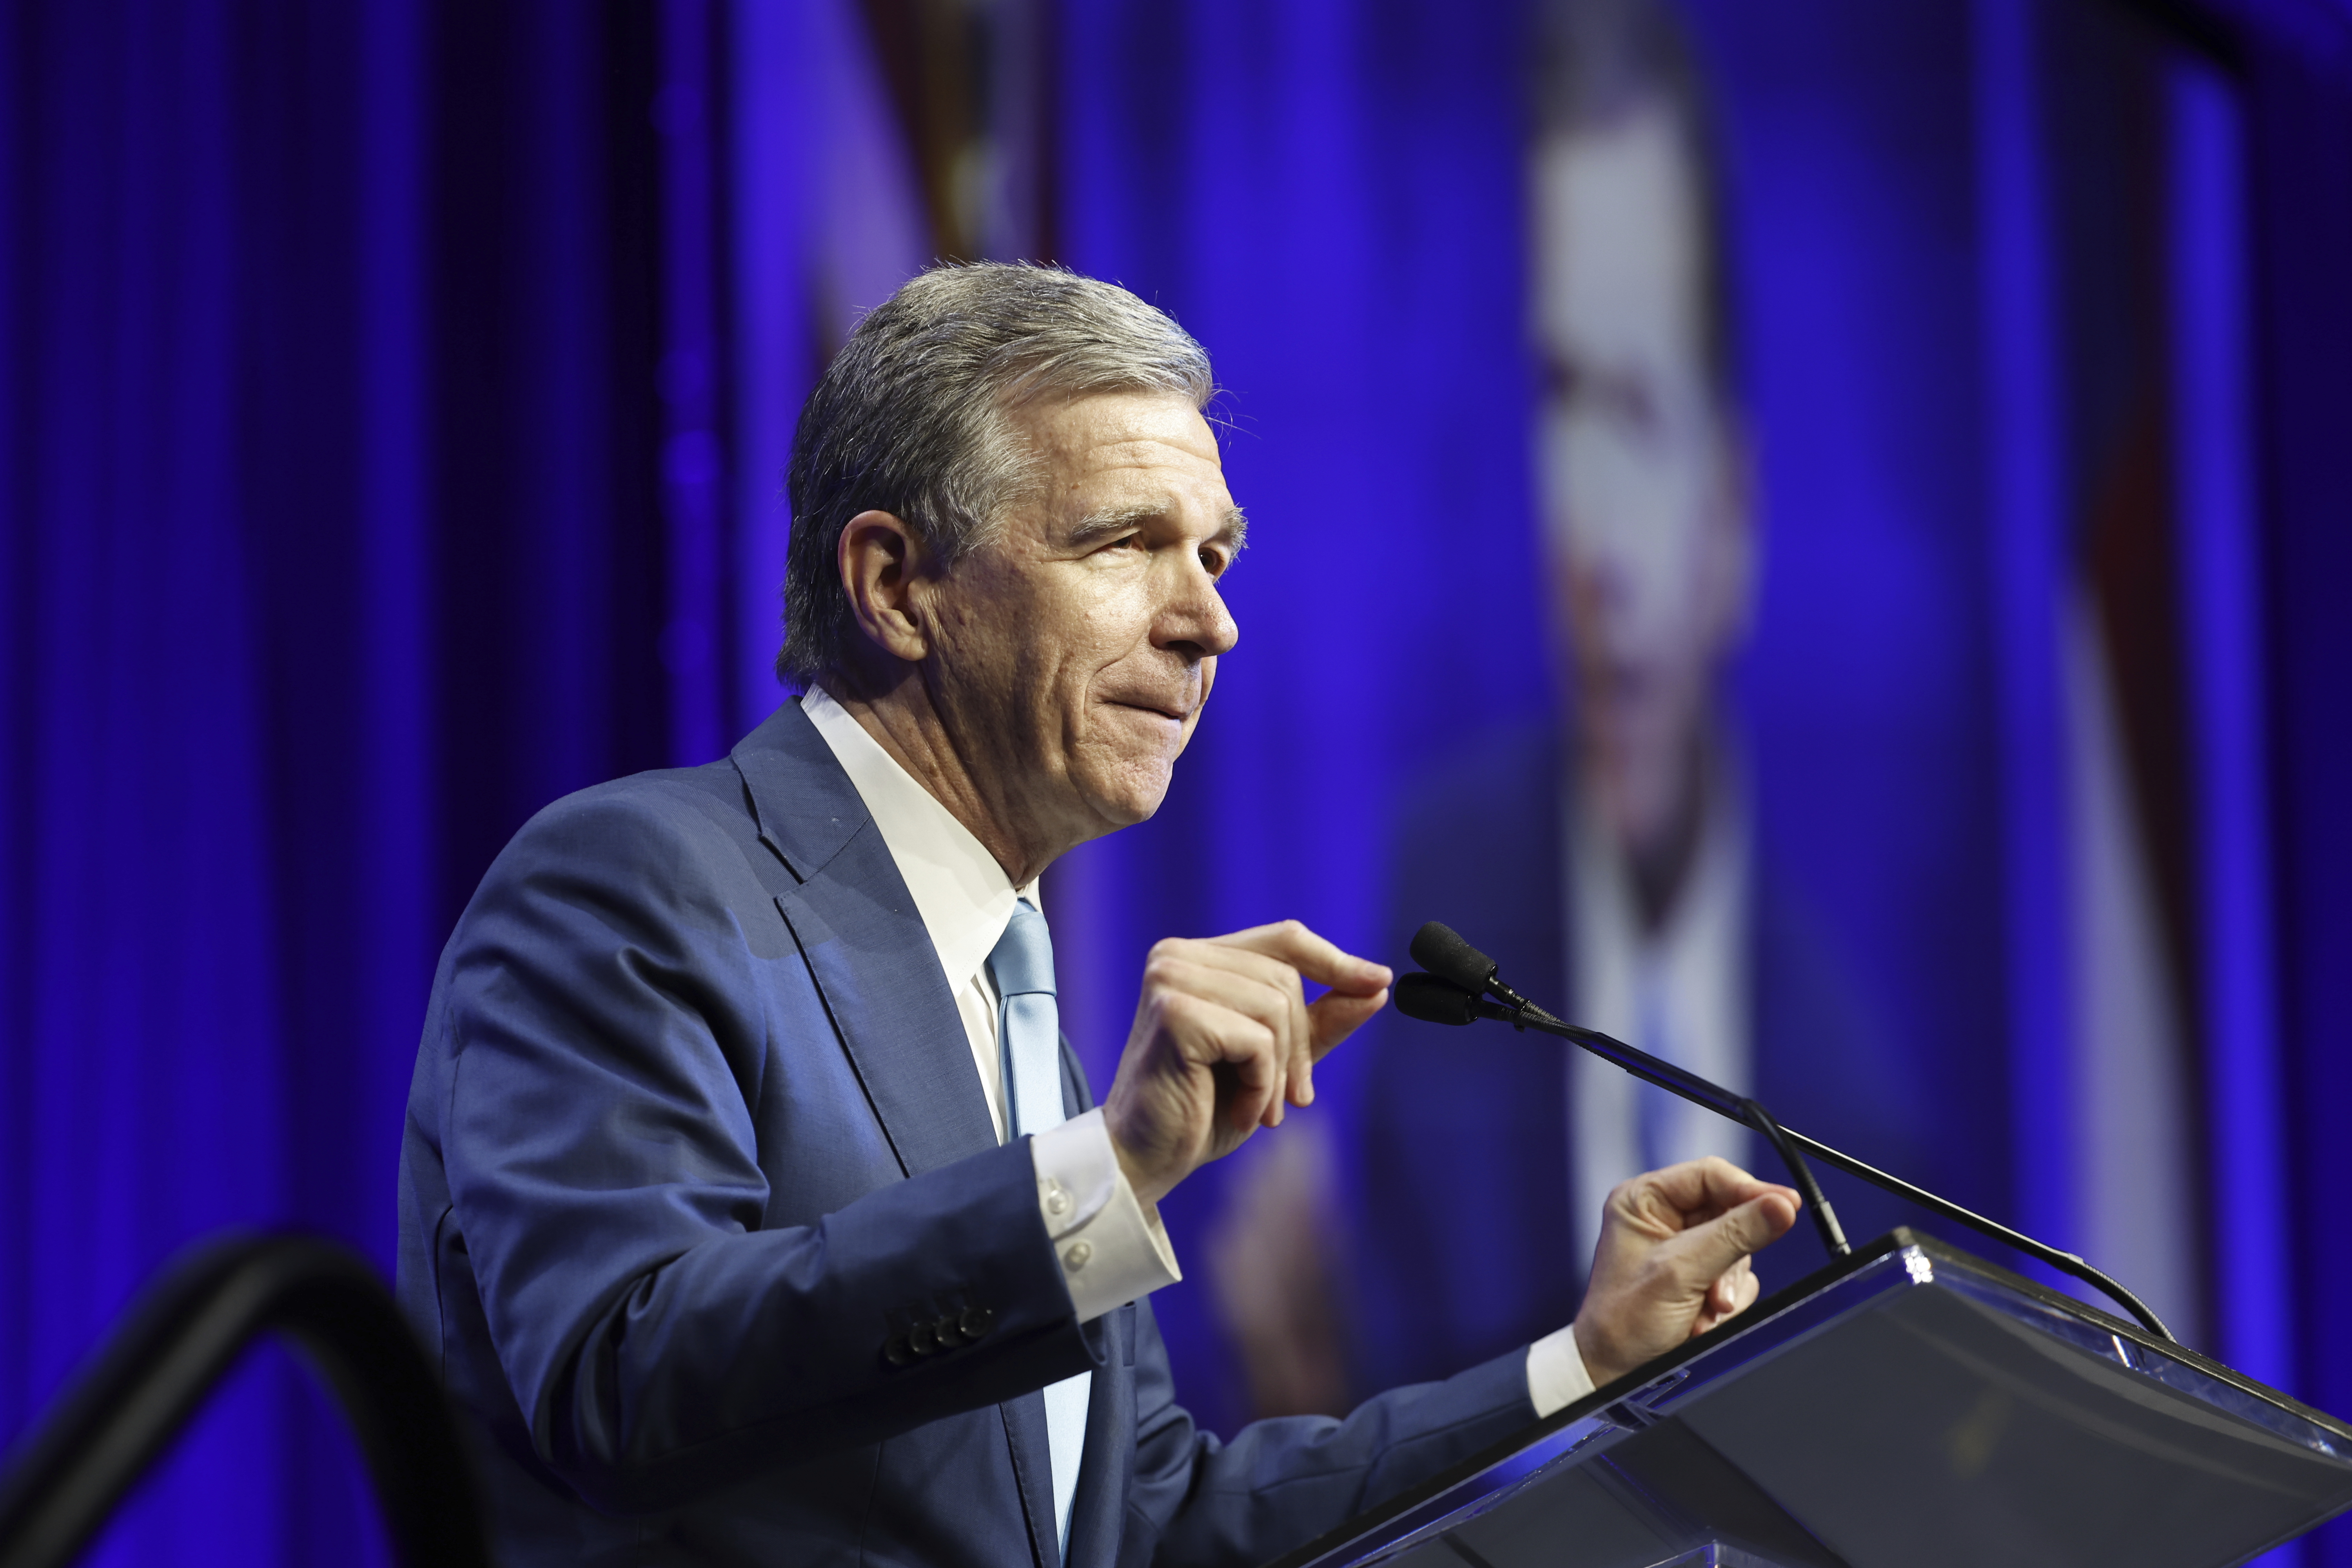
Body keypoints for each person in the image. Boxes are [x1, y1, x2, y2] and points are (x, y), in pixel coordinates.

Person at [395, 262, 1801, 1568]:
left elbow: (1138, 1527)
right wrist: (1106, 1179)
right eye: (1129, 543)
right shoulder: (635, 884)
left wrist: (1584, 1370)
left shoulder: (1007, 992)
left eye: (1218, 557)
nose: (1209, 623)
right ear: (897, 586)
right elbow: (621, 1377)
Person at [1321, 0, 1915, 1400]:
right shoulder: (1438, 900)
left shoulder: (1877, 997)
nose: (1590, 537)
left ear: (1737, 505)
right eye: (1556, 407)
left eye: (1637, 414)